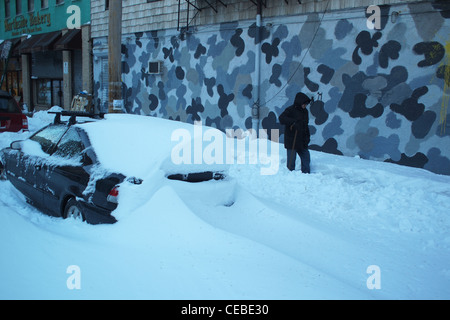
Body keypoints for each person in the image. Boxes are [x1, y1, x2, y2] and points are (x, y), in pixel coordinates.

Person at [279, 92, 312, 173]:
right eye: (304, 104)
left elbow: (305, 125)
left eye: (306, 104)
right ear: (299, 102)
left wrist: (307, 137)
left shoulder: (305, 112)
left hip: (302, 140)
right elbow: (281, 118)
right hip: (292, 140)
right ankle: (290, 175)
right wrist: (293, 122)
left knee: (306, 157)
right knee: (291, 160)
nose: (305, 106)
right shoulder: (290, 110)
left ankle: (306, 174)